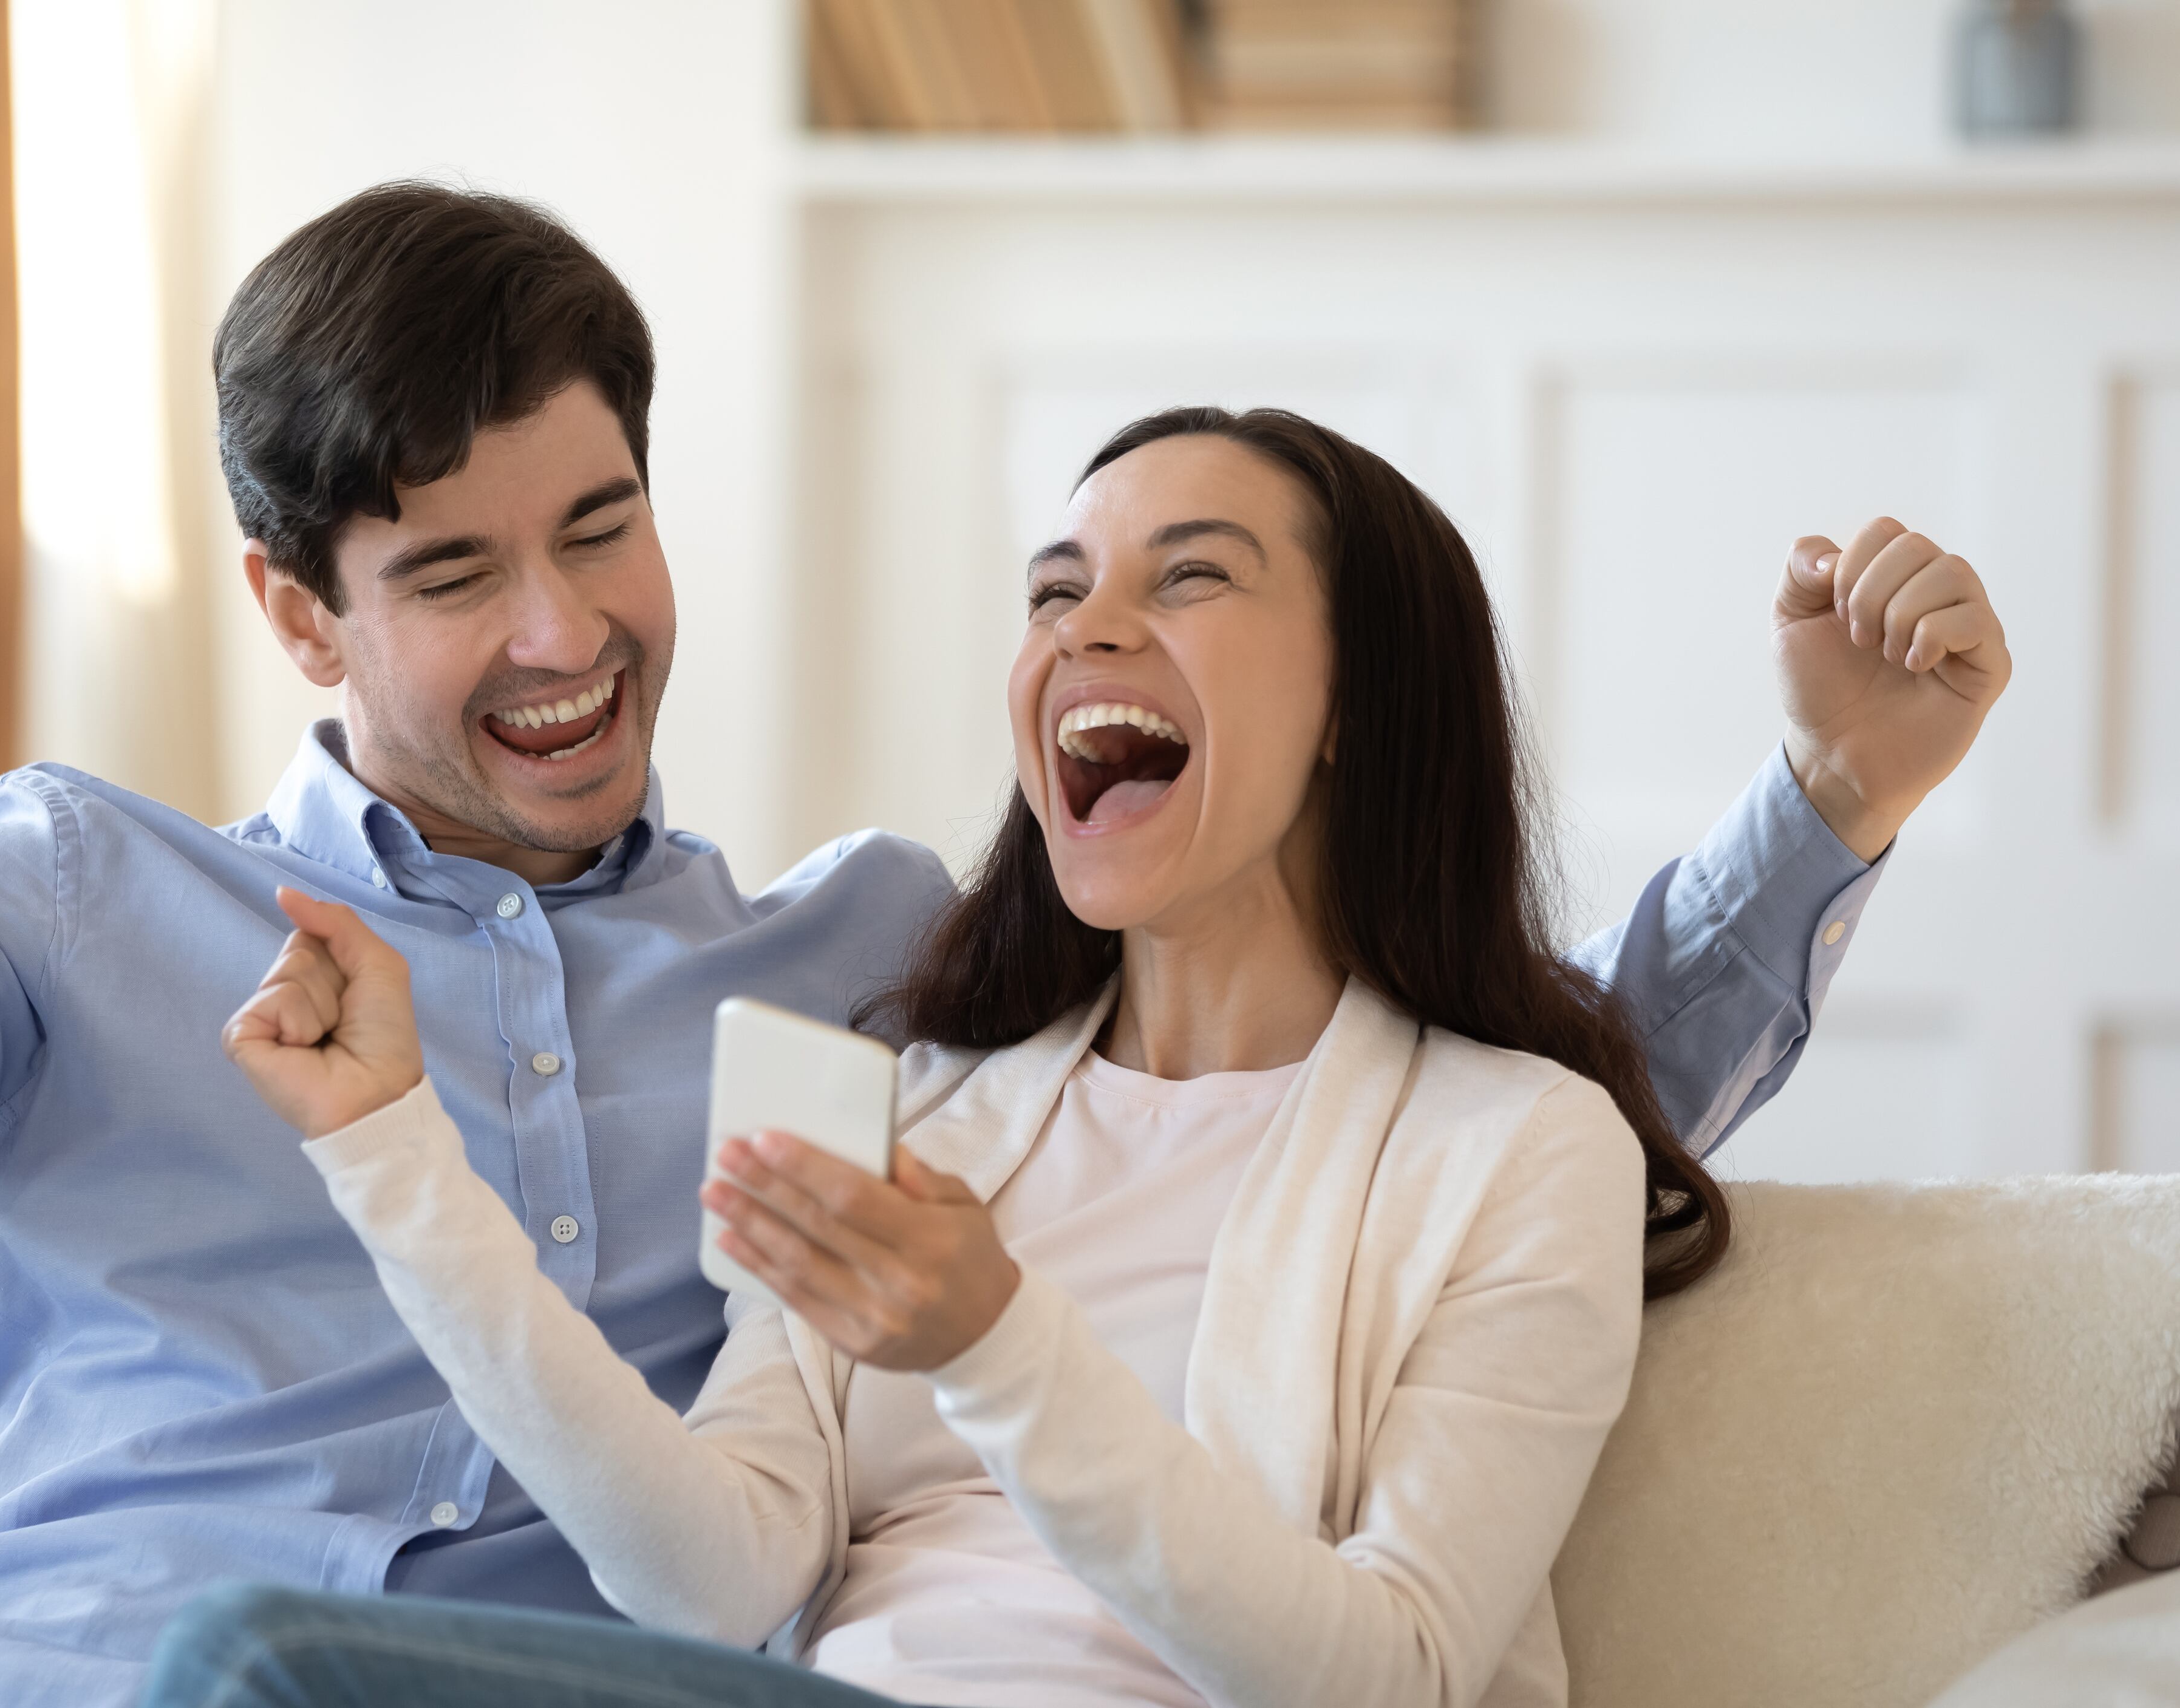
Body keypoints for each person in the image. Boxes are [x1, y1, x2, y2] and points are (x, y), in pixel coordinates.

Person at [0, 188, 2006, 1708]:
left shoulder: (867, 978)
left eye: (600, 529)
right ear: (296, 612)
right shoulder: (80, 893)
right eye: (452, 574)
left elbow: (1421, 1056)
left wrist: (1821, 807)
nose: (562, 635)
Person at [159, 401, 2018, 1708]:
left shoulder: (1521, 1142)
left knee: (257, 1673)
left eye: (1188, 579)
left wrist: (994, 1342)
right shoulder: (911, 1109)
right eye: (1057, 590)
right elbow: (710, 1582)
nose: (1089, 626)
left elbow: (1395, 1676)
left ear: (1359, 699)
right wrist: (392, 1158)